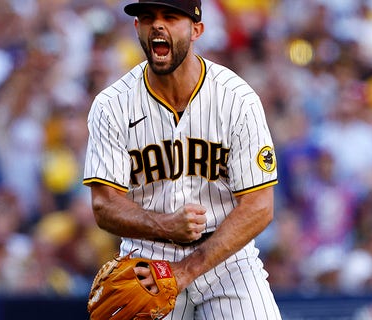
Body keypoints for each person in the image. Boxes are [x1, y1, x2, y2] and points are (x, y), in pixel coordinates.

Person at [82, 0, 283, 318]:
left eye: (171, 17)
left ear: (196, 30)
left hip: (227, 260)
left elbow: (260, 205)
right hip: (148, 261)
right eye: (148, 18)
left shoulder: (236, 99)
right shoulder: (112, 105)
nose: (157, 26)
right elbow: (104, 206)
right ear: (137, 28)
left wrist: (187, 269)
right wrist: (164, 225)